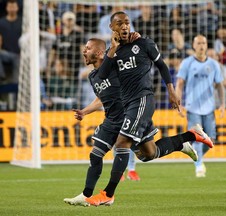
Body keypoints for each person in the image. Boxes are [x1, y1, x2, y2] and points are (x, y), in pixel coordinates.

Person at [85, 11, 214, 206]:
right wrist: (112, 47)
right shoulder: (114, 52)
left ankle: (108, 194)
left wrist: (171, 90)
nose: (124, 26)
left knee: (121, 144)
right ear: (112, 28)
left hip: (143, 99)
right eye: (119, 24)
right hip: (129, 105)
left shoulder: (144, 43)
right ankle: (189, 137)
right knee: (148, 153)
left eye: (127, 22)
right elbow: (102, 75)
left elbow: (161, 66)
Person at [63, 36, 142, 207]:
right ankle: (86, 195)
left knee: (149, 153)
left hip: (129, 116)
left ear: (99, 53)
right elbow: (100, 99)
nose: (84, 51)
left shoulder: (115, 65)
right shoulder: (93, 76)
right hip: (111, 120)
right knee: (95, 155)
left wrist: (129, 42)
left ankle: (183, 142)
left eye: (87, 47)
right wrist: (84, 111)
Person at [175, 34, 225, 178]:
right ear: (193, 45)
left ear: (207, 45)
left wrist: (222, 104)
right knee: (198, 136)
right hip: (192, 107)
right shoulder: (187, 63)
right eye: (199, 43)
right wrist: (179, 104)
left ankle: (196, 156)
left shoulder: (214, 64)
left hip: (209, 107)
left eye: (204, 43)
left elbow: (220, 86)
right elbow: (179, 84)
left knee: (211, 140)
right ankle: (199, 166)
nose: (201, 46)